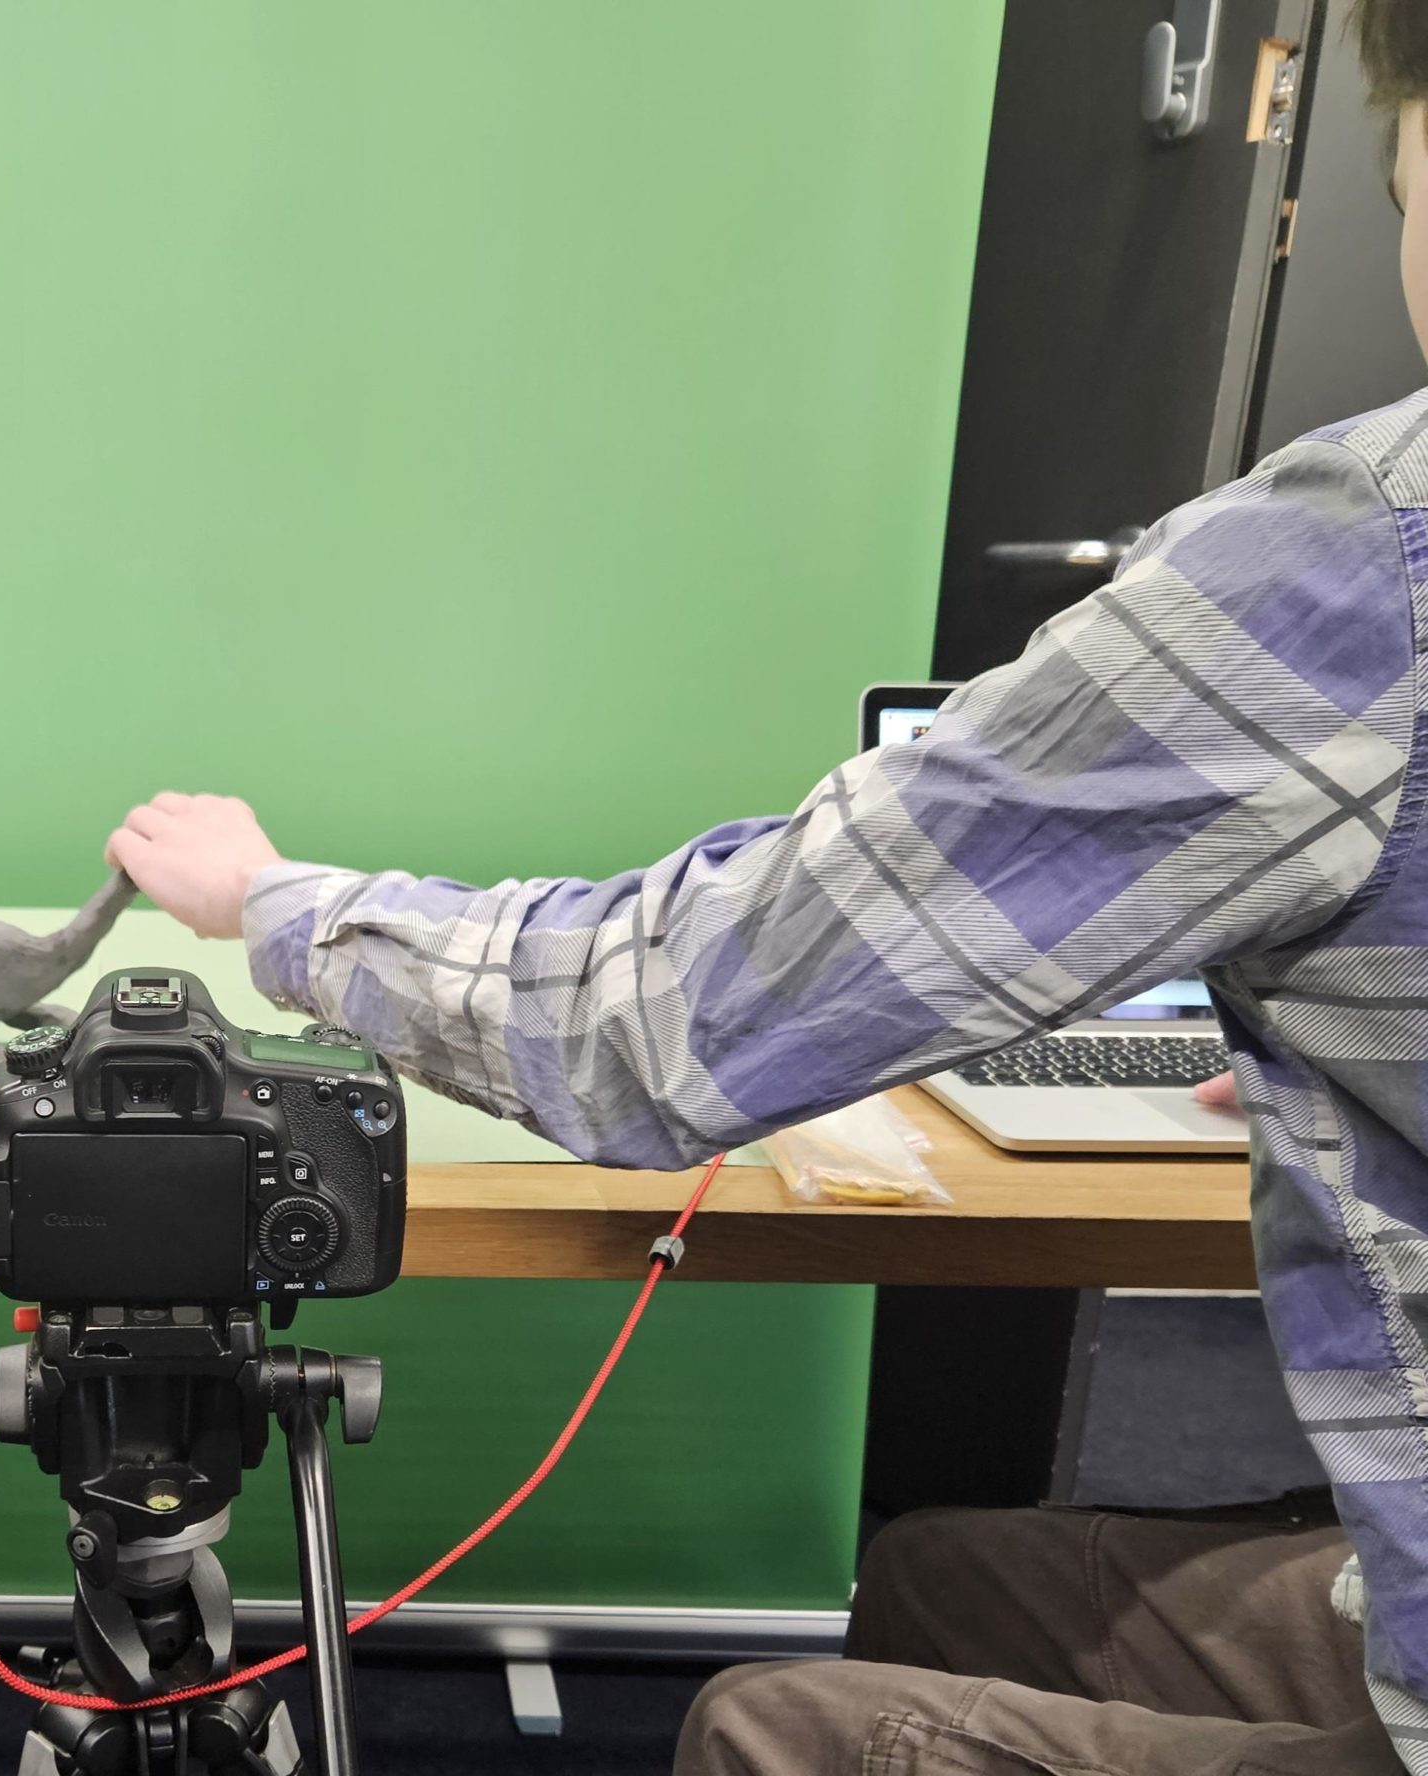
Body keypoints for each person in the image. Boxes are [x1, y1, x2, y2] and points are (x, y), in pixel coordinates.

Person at [103, 7, 1428, 1768]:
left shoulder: (1363, 565)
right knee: (955, 1581)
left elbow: (669, 1022)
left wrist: (276, 904)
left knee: (774, 1730)